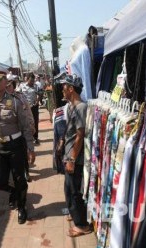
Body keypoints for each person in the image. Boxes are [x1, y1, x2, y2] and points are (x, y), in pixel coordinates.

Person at [0, 63, 35, 224]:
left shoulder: (16, 101)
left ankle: (22, 207)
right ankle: (15, 193)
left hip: (16, 145)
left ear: (6, 81)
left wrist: (30, 149)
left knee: (20, 179)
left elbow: (26, 127)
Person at [60, 74, 91, 237]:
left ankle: (82, 225)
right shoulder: (72, 105)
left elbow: (80, 135)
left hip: (74, 157)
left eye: (64, 87)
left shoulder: (80, 107)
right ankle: (75, 215)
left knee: (74, 191)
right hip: (69, 154)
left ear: (71, 89)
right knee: (68, 188)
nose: (62, 91)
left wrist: (71, 159)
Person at [18, 74, 41, 145]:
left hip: (34, 107)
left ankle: (35, 137)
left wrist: (37, 100)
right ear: (27, 79)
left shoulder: (35, 86)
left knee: (35, 122)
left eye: (33, 80)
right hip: (25, 108)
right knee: (25, 123)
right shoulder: (22, 86)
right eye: (31, 80)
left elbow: (39, 94)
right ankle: (27, 137)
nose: (32, 82)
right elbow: (17, 95)